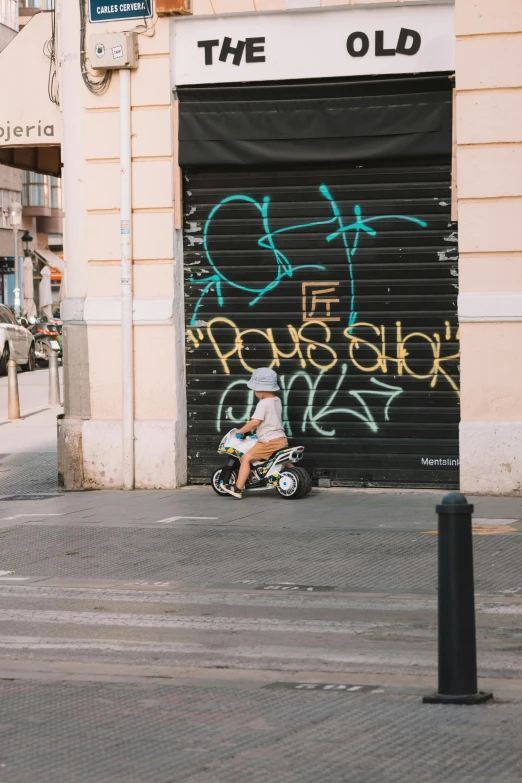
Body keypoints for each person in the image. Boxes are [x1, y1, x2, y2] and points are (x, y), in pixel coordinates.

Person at [221, 367, 288, 499]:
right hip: (281, 439)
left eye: (255, 389)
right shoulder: (277, 400)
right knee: (285, 462)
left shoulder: (263, 403)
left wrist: (240, 431)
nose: (254, 392)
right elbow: (269, 419)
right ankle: (301, 480)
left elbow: (254, 422)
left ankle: (238, 488)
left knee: (246, 458)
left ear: (261, 389)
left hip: (268, 441)